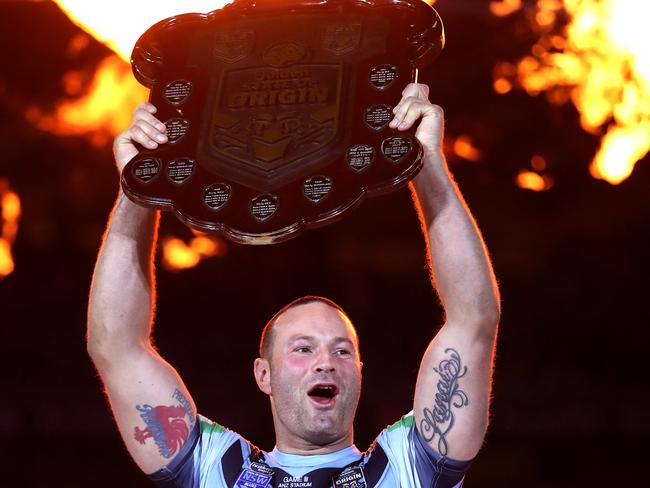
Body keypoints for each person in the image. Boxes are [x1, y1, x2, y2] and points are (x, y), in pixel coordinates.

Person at [87, 82, 500, 487]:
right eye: (303, 348)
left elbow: (473, 318)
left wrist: (426, 164)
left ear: (358, 373)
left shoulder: (409, 467)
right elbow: (116, 346)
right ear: (263, 374)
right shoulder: (216, 471)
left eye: (342, 350)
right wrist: (139, 184)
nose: (326, 362)